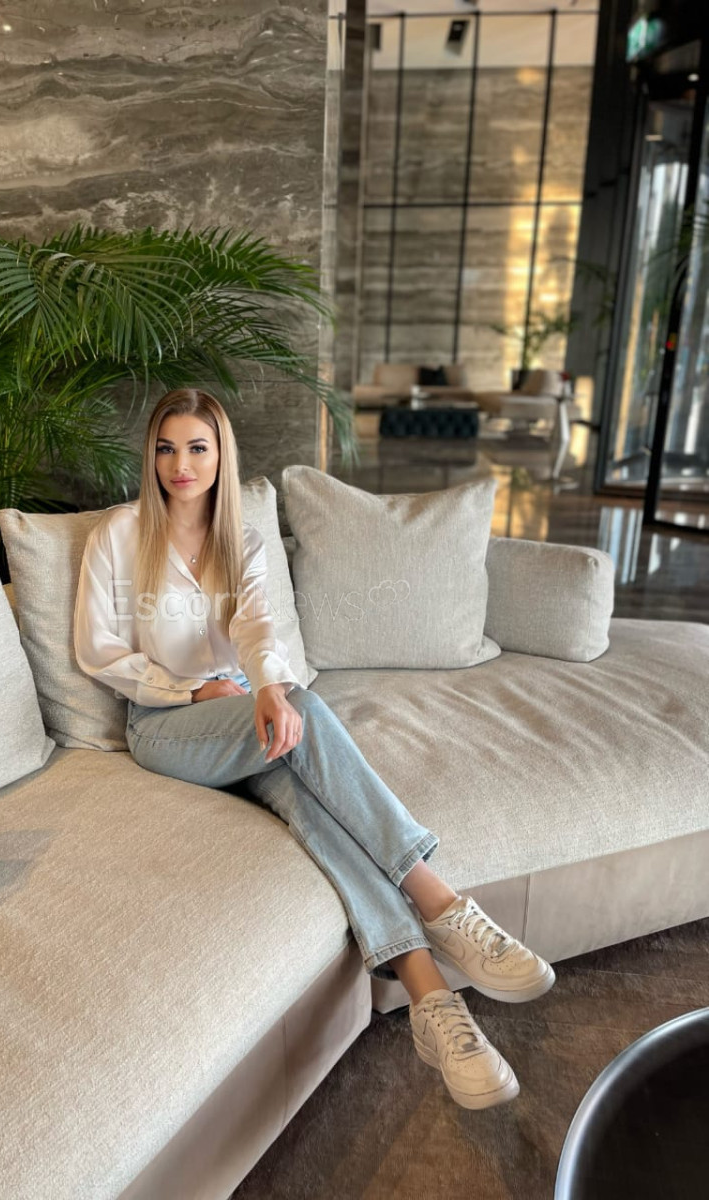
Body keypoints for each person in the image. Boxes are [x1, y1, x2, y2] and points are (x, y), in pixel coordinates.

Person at [74, 387, 555, 1111]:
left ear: (221, 454)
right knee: (298, 711)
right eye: (166, 448)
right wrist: (192, 690)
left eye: (198, 447)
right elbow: (98, 650)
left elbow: (257, 628)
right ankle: (439, 898)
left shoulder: (241, 541)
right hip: (163, 724)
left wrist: (266, 688)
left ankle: (433, 1004)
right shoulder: (119, 532)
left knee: (310, 796)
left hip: (241, 710)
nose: (180, 464)